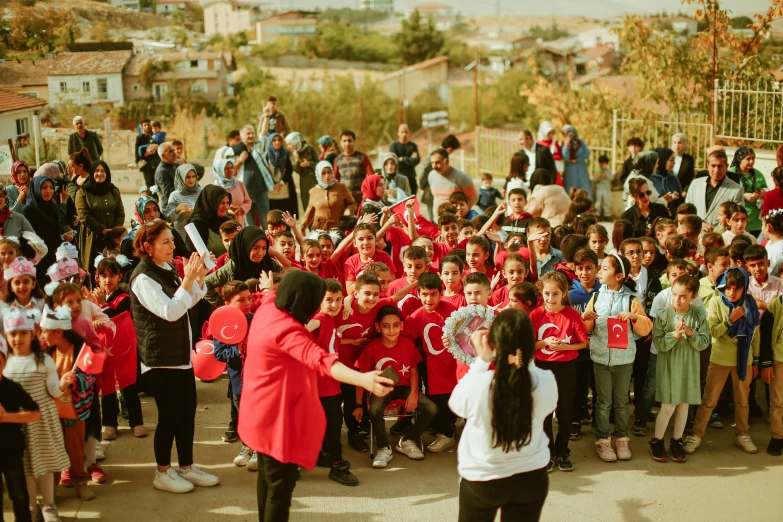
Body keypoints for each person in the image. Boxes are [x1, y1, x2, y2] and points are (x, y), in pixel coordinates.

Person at [238, 271, 392, 522]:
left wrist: (267, 288)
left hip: (256, 412)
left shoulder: (269, 309)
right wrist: (363, 379)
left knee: (266, 478)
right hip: (279, 421)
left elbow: (268, 296)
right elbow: (320, 359)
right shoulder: (287, 330)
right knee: (280, 491)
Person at [129, 220, 220, 494]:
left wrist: (200, 277)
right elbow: (169, 311)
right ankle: (162, 471)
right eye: (165, 242)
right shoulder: (143, 278)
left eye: (172, 240)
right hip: (160, 357)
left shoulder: (167, 268)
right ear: (148, 247)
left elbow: (186, 302)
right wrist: (190, 279)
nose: (173, 246)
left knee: (187, 413)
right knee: (169, 415)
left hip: (181, 354)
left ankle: (186, 466)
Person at [449, 309, 556, 522]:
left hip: (483, 480)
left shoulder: (479, 384)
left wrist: (480, 360)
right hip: (531, 476)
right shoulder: (546, 381)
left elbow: (456, 405)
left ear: (493, 344)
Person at [684, 267, 761, 455]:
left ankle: (742, 434)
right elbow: (714, 332)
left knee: (743, 400)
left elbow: (756, 334)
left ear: (744, 288)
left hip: (744, 360)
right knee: (709, 399)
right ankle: (697, 434)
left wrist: (757, 360)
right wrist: (731, 320)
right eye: (728, 288)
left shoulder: (750, 304)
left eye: (736, 288)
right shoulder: (717, 303)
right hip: (719, 359)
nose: (732, 293)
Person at [2, 307, 70, 521]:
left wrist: (63, 384)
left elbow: (53, 389)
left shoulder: (43, 361)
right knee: (26, 468)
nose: (18, 338)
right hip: (17, 426)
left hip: (42, 422)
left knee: (45, 465)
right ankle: (32, 506)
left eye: (23, 332)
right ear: (6, 336)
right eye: (13, 333)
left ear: (33, 334)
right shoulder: (5, 364)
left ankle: (49, 505)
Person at [582, 254, 652, 462]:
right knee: (602, 403)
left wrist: (635, 317)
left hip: (624, 360)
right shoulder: (595, 297)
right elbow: (586, 329)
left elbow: (646, 327)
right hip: (601, 359)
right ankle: (603, 441)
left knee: (621, 403)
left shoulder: (631, 299)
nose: (600, 271)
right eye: (600, 268)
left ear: (619, 275)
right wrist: (586, 319)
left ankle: (622, 438)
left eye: (604, 268)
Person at [356, 306, 437, 467]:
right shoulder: (371, 347)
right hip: (381, 388)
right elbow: (361, 377)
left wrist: (414, 392)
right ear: (378, 327)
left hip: (404, 387)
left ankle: (407, 441)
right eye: (386, 326)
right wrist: (358, 405)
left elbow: (414, 372)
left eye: (395, 325)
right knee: (374, 410)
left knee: (431, 408)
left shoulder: (408, 344)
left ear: (401, 326)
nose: (391, 330)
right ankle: (384, 448)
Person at [530, 271, 588, 472]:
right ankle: (547, 453)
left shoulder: (572, 315)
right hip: (543, 368)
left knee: (565, 411)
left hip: (566, 368)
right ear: (542, 293)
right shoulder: (536, 314)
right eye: (547, 293)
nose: (550, 298)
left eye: (555, 294)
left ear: (563, 294)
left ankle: (563, 451)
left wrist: (565, 348)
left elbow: (583, 343)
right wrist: (545, 342)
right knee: (544, 412)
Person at [649, 275, 710, 462]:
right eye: (674, 294)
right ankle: (657, 440)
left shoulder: (698, 314)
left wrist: (691, 334)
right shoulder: (663, 315)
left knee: (684, 405)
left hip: (689, 366)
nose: (677, 299)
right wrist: (674, 336)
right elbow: (658, 344)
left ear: (694, 296)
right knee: (668, 406)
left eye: (683, 296)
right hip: (669, 366)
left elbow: (704, 343)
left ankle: (677, 441)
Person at [305, 279, 357, 485]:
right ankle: (337, 465)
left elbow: (350, 295)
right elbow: (302, 329)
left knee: (329, 423)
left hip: (331, 381)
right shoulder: (319, 318)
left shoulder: (330, 317)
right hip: (321, 384)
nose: (334, 304)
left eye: (338, 300)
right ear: (319, 300)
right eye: (329, 300)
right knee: (334, 424)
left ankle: (322, 454)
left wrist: (345, 302)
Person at [0, 335, 42, 522]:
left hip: (11, 449)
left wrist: (7, 417)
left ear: (4, 362)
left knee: (19, 494)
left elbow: (35, 413)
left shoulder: (11, 388)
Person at [204, 226, 281, 307]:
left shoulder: (271, 264)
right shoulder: (233, 266)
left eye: (264, 248)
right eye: (255, 248)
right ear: (245, 246)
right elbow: (205, 283)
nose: (260, 253)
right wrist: (226, 304)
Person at [21, 177, 72, 284]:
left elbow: (57, 229)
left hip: (55, 259)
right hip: (39, 261)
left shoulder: (53, 206)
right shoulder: (28, 210)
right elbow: (27, 237)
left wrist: (64, 236)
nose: (48, 191)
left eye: (51, 187)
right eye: (44, 187)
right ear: (36, 189)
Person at [75, 161, 124, 271]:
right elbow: (83, 215)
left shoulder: (113, 191)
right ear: (92, 173)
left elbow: (120, 213)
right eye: (96, 171)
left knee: (112, 268)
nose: (100, 173)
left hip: (112, 237)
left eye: (103, 171)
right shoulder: (83, 191)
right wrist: (101, 230)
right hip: (92, 237)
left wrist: (115, 231)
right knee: (93, 269)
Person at [685, 149, 744, 227]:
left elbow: (737, 218)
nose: (716, 170)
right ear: (708, 165)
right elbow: (687, 211)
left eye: (720, 166)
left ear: (726, 166)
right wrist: (700, 224)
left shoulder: (736, 190)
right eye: (713, 166)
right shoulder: (695, 184)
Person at [233, 125, 274, 229]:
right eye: (248, 134)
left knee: (266, 223)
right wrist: (241, 160)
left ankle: (269, 244)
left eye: (252, 133)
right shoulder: (236, 152)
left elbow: (264, 135)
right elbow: (230, 170)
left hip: (261, 192)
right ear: (241, 137)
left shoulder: (259, 149)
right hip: (245, 195)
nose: (251, 135)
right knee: (249, 226)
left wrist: (266, 115)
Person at [300, 161, 357, 232]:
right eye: (323, 173)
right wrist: (303, 227)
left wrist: (348, 211)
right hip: (319, 229)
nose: (327, 176)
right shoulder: (313, 191)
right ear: (318, 174)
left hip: (339, 228)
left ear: (332, 173)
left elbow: (352, 204)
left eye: (329, 172)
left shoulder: (342, 187)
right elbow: (310, 211)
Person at [729, 147, 768, 237]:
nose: (751, 162)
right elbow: (727, 192)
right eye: (748, 159)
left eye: (753, 158)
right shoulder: (731, 173)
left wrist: (762, 193)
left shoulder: (757, 174)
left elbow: (766, 190)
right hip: (738, 219)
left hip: (755, 220)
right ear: (740, 159)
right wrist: (743, 195)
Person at [420, 135, 461, 221]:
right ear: (449, 149)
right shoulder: (434, 157)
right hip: (431, 193)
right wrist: (422, 187)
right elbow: (423, 174)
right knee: (434, 220)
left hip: (441, 192)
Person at [185, 185, 231, 257]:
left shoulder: (228, 222)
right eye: (222, 203)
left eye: (227, 203)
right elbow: (195, 256)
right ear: (211, 202)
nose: (226, 207)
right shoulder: (198, 225)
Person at [428, 148, 478, 212]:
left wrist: (463, 213)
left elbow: (474, 197)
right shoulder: (431, 175)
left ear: (447, 161)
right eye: (432, 163)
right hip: (437, 220)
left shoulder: (462, 177)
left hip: (455, 221)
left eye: (437, 162)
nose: (434, 166)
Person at [334, 130, 374, 205]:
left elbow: (371, 176)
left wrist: (367, 193)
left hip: (361, 199)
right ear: (340, 142)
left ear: (354, 141)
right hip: (345, 200)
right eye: (344, 141)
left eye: (349, 140)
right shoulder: (338, 160)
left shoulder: (362, 157)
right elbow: (335, 180)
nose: (347, 143)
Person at [165, 164, 202, 241]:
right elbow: (168, 218)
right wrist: (177, 210)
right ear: (181, 177)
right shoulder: (175, 195)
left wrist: (196, 213)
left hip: (200, 235)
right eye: (187, 177)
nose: (191, 180)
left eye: (193, 176)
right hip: (181, 238)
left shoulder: (201, 192)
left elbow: (209, 213)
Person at [265, 133, 297, 217]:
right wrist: (274, 185)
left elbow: (289, 170)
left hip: (284, 190)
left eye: (279, 140)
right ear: (270, 142)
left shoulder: (286, 154)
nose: (277, 142)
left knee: (285, 217)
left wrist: (281, 183)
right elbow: (265, 172)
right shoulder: (266, 156)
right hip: (271, 191)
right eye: (274, 140)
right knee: (273, 218)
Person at [285, 132, 319, 211]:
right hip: (304, 182)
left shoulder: (310, 149)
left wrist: (309, 163)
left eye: (290, 144)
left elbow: (319, 164)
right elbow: (297, 171)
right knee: (307, 206)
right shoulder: (293, 154)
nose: (288, 146)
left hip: (315, 180)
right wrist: (297, 160)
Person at [651, 147, 683, 217]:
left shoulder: (673, 178)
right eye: (671, 160)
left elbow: (680, 202)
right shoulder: (650, 179)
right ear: (662, 160)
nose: (674, 163)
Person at [389, 123, 420, 195]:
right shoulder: (394, 146)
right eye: (402, 132)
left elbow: (416, 160)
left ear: (409, 133)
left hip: (411, 178)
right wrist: (410, 160)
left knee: (411, 200)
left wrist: (403, 159)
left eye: (406, 132)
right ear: (398, 133)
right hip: (398, 178)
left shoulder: (413, 146)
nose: (404, 134)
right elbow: (395, 163)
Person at [561, 124, 591, 198]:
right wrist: (566, 146)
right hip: (570, 171)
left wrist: (577, 160)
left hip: (581, 168)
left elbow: (587, 154)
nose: (566, 135)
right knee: (570, 191)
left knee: (584, 189)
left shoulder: (580, 142)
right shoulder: (563, 144)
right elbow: (565, 157)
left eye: (567, 133)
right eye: (564, 134)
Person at [135, 119, 159, 189]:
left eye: (148, 124)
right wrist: (147, 153)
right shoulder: (140, 138)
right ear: (142, 128)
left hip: (157, 164)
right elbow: (137, 154)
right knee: (150, 187)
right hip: (147, 166)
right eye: (145, 125)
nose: (147, 126)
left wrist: (156, 146)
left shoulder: (157, 136)